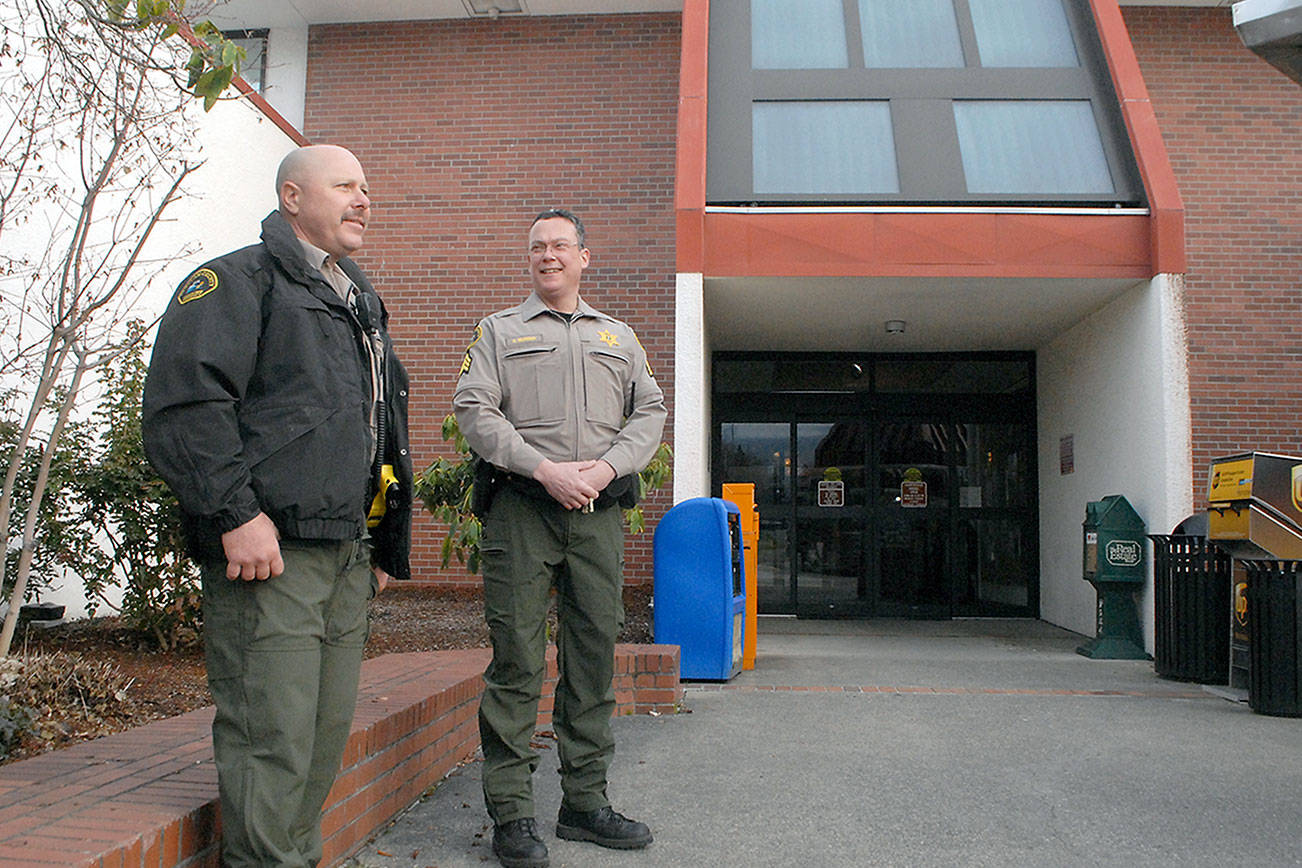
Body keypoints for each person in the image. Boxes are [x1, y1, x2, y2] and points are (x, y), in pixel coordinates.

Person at [142, 144, 412, 867]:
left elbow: (376, 423)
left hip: (345, 557)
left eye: (367, 186)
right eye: (346, 185)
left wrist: (381, 540)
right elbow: (185, 407)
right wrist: (235, 514)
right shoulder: (234, 281)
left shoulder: (354, 296)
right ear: (293, 196)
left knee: (318, 744)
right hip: (271, 558)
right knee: (273, 741)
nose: (364, 199)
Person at [453, 209, 667, 868]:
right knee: (517, 660)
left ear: (584, 257)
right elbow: (473, 408)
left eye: (560, 246)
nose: (549, 255)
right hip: (523, 508)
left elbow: (651, 410)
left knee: (592, 657)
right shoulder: (498, 331)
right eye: (538, 247)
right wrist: (542, 469)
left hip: (598, 512)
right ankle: (513, 816)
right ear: (531, 259)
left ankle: (585, 804)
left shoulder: (618, 335)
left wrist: (605, 469)